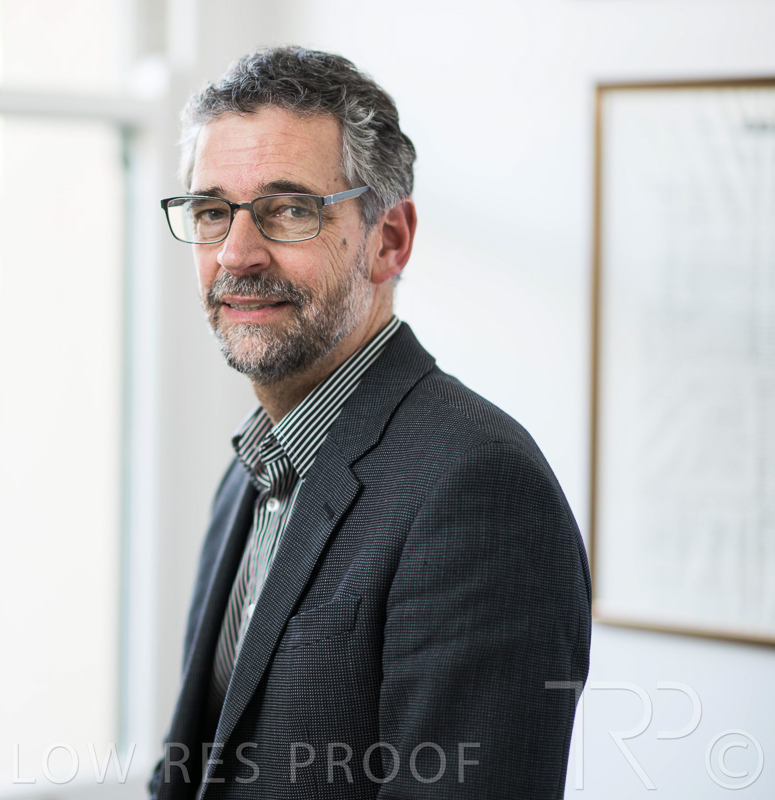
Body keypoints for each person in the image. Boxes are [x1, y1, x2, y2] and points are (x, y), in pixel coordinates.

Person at [149, 46, 591, 800]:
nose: (236, 254)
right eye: (212, 212)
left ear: (389, 240)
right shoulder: (250, 473)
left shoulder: (480, 488)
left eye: (290, 210)